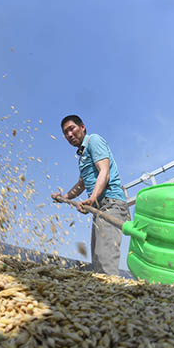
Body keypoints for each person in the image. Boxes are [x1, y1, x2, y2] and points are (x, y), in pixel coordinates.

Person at [51, 115, 130, 276]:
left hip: (111, 204)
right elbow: (81, 184)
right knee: (98, 260)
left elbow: (104, 172)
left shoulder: (94, 141)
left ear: (82, 127)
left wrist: (93, 197)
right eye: (65, 133)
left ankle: (113, 296)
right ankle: (106, 294)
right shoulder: (82, 156)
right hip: (99, 208)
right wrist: (65, 197)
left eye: (71, 128)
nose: (69, 135)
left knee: (105, 259)